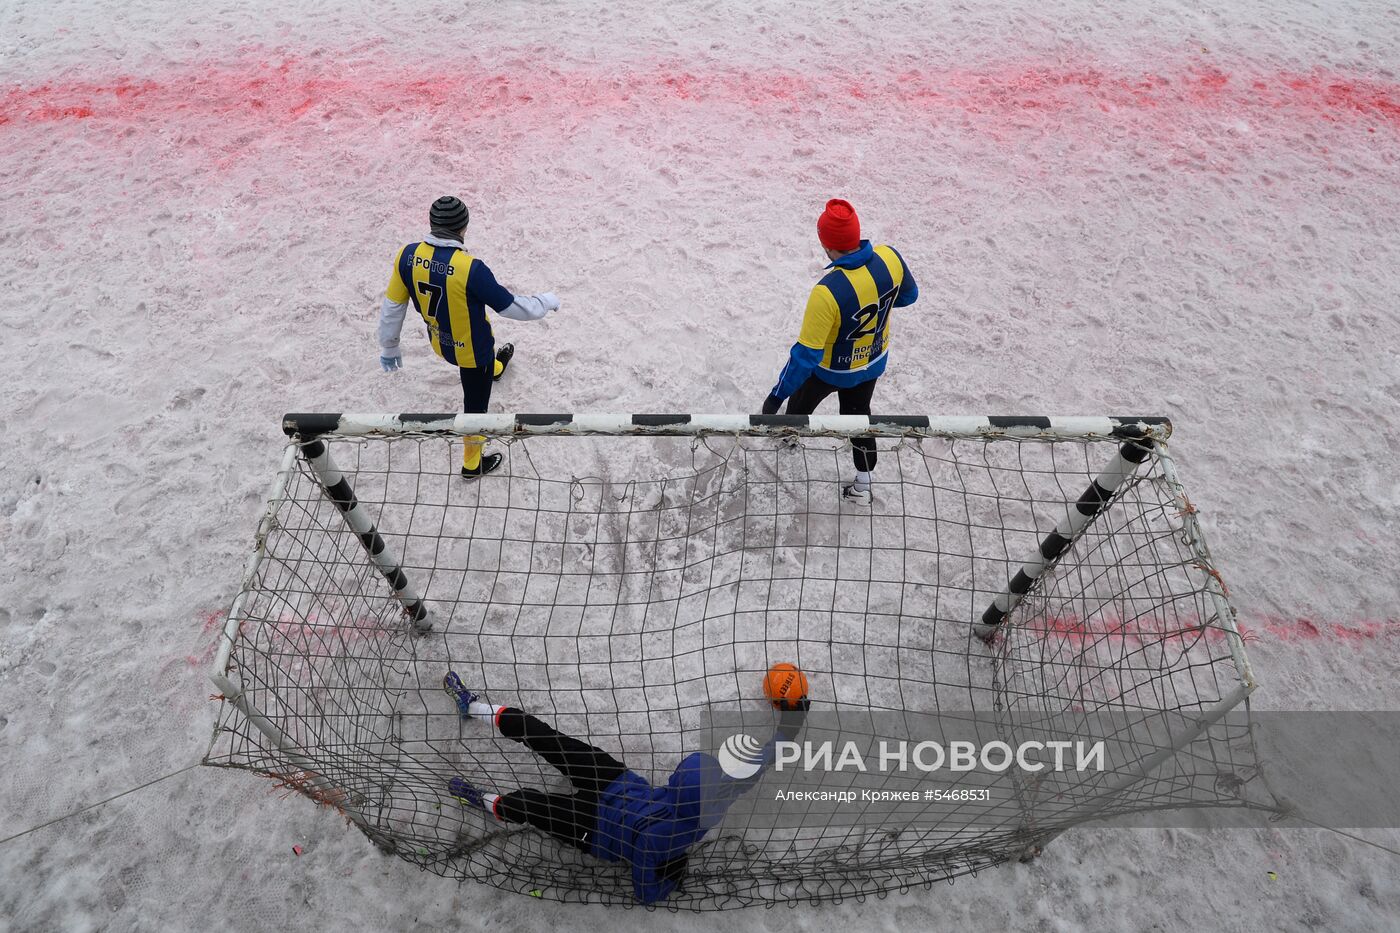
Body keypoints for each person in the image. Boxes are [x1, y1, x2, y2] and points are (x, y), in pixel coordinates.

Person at [442, 671, 810, 905]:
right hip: (616, 782)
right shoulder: (723, 790)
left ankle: (484, 800)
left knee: (529, 805)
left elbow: (646, 893)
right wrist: (790, 728)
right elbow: (759, 761)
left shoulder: (663, 840)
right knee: (546, 738)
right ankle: (474, 706)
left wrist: (671, 874)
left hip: (596, 831)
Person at [377, 195, 561, 478]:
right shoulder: (471, 268)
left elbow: (393, 307)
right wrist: (545, 302)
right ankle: (472, 465)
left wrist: (389, 347)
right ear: (464, 227)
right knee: (475, 408)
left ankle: (496, 369)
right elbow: (512, 307)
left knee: (485, 359)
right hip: (474, 351)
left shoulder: (407, 255)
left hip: (440, 341)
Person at [761, 199, 919, 505]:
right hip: (872, 362)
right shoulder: (890, 258)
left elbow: (805, 357)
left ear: (826, 244)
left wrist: (774, 397)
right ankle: (863, 484)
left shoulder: (827, 291)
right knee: (859, 418)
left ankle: (790, 435)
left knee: (800, 403)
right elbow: (909, 295)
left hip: (831, 370)